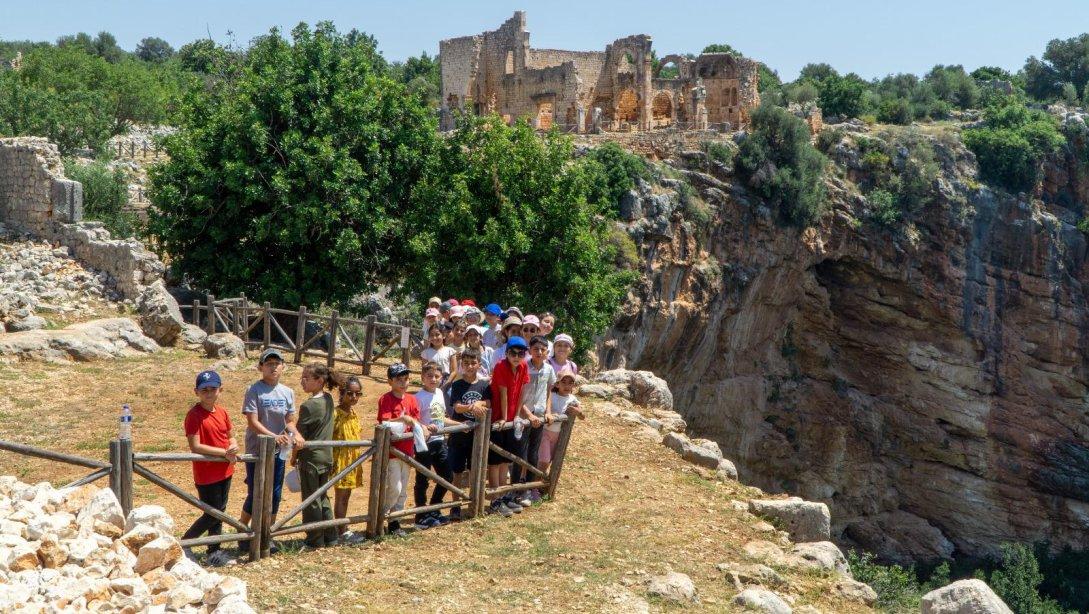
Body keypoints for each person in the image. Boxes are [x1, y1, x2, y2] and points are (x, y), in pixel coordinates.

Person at [239, 348, 298, 553]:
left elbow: (289, 421)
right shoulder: (254, 389)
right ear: (261, 367)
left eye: (277, 363)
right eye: (269, 363)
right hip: (257, 450)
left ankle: (267, 533)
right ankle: (243, 530)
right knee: (256, 492)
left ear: (283, 366)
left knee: (274, 493)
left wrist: (296, 434)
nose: (273, 367)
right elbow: (252, 422)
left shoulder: (288, 392)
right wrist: (273, 436)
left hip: (279, 450)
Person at [182, 370, 239, 566]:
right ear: (196, 392)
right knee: (212, 512)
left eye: (212, 389)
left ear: (220, 390)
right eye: (204, 389)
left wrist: (233, 445)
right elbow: (195, 446)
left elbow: (230, 435)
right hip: (206, 472)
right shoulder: (194, 415)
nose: (209, 393)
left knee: (220, 511)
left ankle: (215, 551)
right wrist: (223, 452)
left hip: (225, 470)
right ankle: (185, 542)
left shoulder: (222, 412)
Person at [293, 363, 339, 549]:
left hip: (311, 458)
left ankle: (314, 539)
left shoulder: (308, 406)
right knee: (323, 497)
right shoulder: (328, 399)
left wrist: (293, 457)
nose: (302, 381)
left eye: (306, 378)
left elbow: (299, 436)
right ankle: (331, 536)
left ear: (319, 381)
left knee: (311, 499)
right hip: (326, 456)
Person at [444, 348, 491, 520]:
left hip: (476, 435)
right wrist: (472, 406)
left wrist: (478, 402)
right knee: (456, 471)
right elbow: (456, 407)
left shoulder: (484, 385)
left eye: (473, 363)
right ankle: (455, 505)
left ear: (479, 364)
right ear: (462, 365)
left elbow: (488, 403)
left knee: (475, 469)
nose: (470, 366)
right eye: (466, 363)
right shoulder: (457, 384)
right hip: (459, 433)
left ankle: (473, 501)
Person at [510, 335, 555, 507]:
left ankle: (528, 488)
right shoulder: (522, 367)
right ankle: (514, 491)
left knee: (533, 453)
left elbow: (549, 391)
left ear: (547, 352)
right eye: (535, 349)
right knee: (519, 453)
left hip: (540, 415)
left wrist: (548, 412)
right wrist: (528, 415)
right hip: (523, 415)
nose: (539, 352)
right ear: (530, 350)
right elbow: (517, 395)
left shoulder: (549, 369)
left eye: (542, 349)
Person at [377, 362, 422, 536]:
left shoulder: (412, 399)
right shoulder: (386, 399)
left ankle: (395, 522)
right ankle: (383, 515)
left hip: (408, 450)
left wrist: (420, 425)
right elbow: (384, 422)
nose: (403, 383)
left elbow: (416, 422)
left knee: (403, 489)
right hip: (392, 451)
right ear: (390, 381)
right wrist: (404, 420)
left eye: (406, 379)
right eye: (398, 379)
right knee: (394, 487)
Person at [488, 335, 530, 516]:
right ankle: (495, 500)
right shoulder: (500, 366)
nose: (517, 356)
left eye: (521, 353)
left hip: (512, 419)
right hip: (498, 418)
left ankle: (504, 496)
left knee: (506, 459)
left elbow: (522, 391)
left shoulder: (523, 366)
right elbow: (503, 393)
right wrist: (505, 418)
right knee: (495, 461)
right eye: (513, 352)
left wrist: (517, 415)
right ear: (507, 353)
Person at [413, 362, 453, 529]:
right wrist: (424, 427)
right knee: (422, 479)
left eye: (437, 376)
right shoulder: (418, 397)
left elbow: (441, 418)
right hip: (424, 443)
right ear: (422, 378)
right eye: (429, 376)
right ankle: (421, 515)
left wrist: (460, 424)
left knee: (447, 476)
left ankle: (434, 507)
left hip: (439, 440)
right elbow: (414, 420)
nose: (433, 379)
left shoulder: (439, 393)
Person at [332, 376, 366, 543]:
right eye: (350, 393)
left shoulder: (353, 413)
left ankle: (341, 527)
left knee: (347, 495)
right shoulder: (336, 414)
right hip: (340, 460)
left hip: (353, 460)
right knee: (341, 496)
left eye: (357, 394)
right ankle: (340, 530)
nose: (353, 397)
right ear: (342, 393)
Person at [540, 366, 585, 473]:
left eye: (570, 383)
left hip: (559, 435)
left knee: (551, 459)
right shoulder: (551, 396)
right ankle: (535, 487)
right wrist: (550, 413)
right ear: (557, 384)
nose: (567, 385)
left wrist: (579, 412)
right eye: (563, 382)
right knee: (544, 460)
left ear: (574, 385)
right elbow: (543, 410)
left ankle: (540, 484)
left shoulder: (573, 399)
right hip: (545, 432)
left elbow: (583, 416)